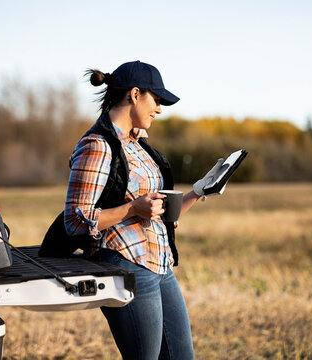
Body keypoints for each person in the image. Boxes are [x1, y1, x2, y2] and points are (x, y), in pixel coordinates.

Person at [64, 60, 225, 360]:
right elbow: (74, 220)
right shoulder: (97, 145)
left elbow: (159, 215)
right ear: (135, 95)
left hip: (160, 266)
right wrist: (131, 210)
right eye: (157, 100)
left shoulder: (140, 146)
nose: (160, 109)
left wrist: (199, 191)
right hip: (128, 266)